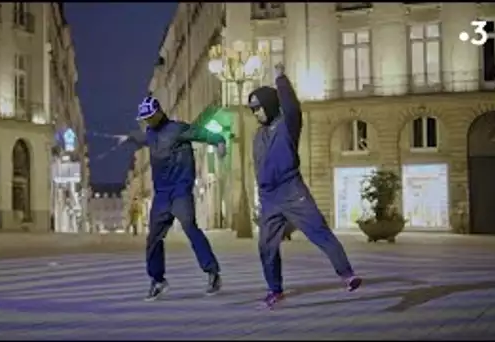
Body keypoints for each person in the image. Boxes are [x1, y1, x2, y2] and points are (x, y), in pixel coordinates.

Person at [247, 63, 362, 309]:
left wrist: (281, 79)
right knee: (266, 246)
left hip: (291, 188)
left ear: (269, 105)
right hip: (268, 197)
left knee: (318, 230)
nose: (255, 113)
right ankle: (275, 290)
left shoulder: (287, 124)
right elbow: (258, 165)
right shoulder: (258, 135)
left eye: (257, 108)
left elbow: (292, 106)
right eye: (251, 110)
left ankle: (347, 274)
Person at [120, 96, 227, 301]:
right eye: (145, 119)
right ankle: (158, 280)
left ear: (159, 112)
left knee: (190, 227)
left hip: (180, 191)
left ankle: (213, 273)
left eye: (150, 117)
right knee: (153, 238)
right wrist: (129, 137)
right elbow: (142, 138)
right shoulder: (150, 133)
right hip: (161, 195)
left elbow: (201, 133)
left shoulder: (178, 129)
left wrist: (219, 141)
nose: (148, 122)